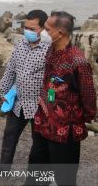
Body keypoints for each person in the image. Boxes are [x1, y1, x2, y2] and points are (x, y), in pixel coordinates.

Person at [26, 11, 97, 186]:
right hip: (43, 123)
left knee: (64, 179)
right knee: (36, 176)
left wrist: (86, 117)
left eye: (47, 28)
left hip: (65, 131)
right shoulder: (50, 51)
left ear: (60, 33)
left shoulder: (78, 61)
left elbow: (88, 95)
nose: (42, 31)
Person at [0, 10, 50, 176]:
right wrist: (4, 92)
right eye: (25, 27)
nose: (27, 31)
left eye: (32, 28)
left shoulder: (49, 50)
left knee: (39, 143)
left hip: (39, 105)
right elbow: (10, 70)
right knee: (9, 136)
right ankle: (3, 169)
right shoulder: (21, 44)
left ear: (43, 28)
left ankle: (36, 175)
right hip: (18, 101)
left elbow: (53, 80)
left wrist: (50, 101)